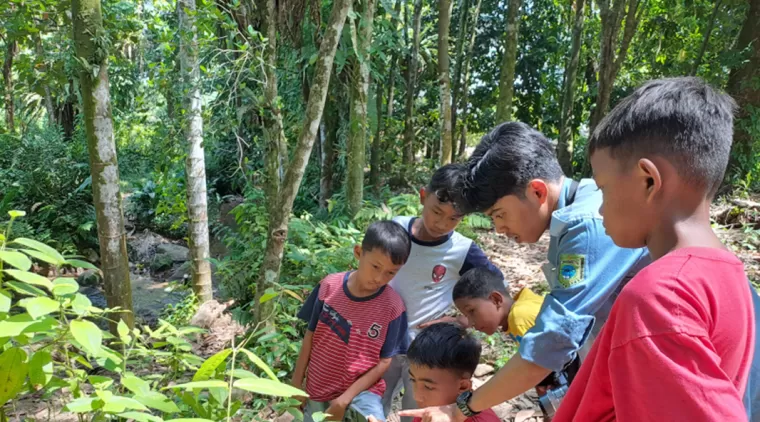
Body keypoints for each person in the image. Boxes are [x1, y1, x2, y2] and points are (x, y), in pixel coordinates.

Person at [400, 122, 650, 421]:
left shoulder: (586, 225)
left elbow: (551, 344)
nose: (499, 229)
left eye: (499, 215)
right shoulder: (572, 220)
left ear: (536, 191)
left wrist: (462, 408)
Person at [552, 77, 756, 420]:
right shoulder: (731, 276)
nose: (600, 209)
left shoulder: (661, 296)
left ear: (648, 180)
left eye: (603, 189)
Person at [382, 164, 504, 421]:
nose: (441, 223)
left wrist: (463, 320)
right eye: (436, 211)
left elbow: (493, 285)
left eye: (453, 218)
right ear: (423, 196)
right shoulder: (396, 229)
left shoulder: (462, 250)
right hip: (381, 340)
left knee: (417, 410)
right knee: (373, 400)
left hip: (425, 351)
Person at [292, 220, 412, 422]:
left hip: (362, 392)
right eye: (375, 266)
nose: (379, 278)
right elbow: (310, 337)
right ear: (358, 253)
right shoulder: (329, 286)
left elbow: (384, 361)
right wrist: (295, 384)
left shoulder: (393, 307)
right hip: (317, 387)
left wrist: (344, 399)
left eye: (391, 272)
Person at [452, 267, 580, 398]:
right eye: (466, 316)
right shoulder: (521, 307)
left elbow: (540, 364)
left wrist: (544, 382)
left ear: (496, 299)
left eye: (472, 311)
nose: (471, 322)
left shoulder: (519, 318)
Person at [406, 322, 500, 422]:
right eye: (413, 380)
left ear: (463, 386)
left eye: (428, 387)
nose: (416, 396)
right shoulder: (430, 412)